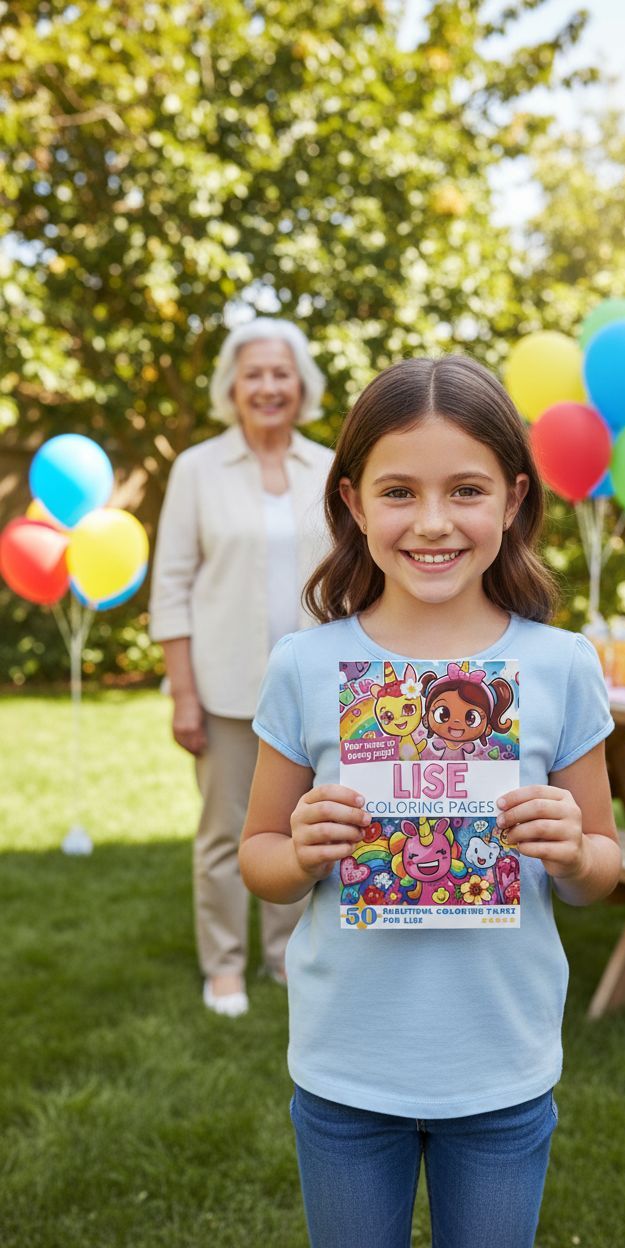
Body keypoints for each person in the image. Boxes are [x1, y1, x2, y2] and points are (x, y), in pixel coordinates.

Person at [239, 355, 620, 1246]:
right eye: (400, 492)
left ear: (514, 499)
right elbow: (258, 856)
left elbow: (602, 869)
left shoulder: (562, 665)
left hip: (501, 1068)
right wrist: (299, 852)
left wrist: (573, 851)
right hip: (346, 1068)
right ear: (352, 502)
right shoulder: (306, 666)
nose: (434, 521)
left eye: (467, 490)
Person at [149, 318, 334, 1018]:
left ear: (301, 385)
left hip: (312, 689)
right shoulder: (197, 469)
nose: (268, 386)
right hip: (225, 688)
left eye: (280, 373)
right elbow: (171, 586)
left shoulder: (330, 467)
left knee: (300, 828)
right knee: (225, 834)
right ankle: (224, 964)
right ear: (232, 385)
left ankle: (285, 955)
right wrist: (183, 695)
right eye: (253, 374)